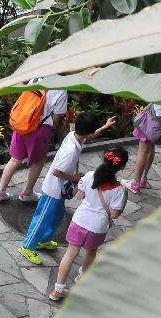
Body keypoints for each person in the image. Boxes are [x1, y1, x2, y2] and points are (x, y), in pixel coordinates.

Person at [19, 113, 117, 266]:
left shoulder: (74, 134)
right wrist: (75, 178)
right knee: (42, 219)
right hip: (53, 190)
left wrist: (105, 126)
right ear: (88, 131)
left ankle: (42, 240)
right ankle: (27, 246)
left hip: (60, 190)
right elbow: (56, 171)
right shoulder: (71, 150)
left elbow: (89, 137)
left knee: (56, 217)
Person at [50, 146, 129, 301]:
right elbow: (115, 214)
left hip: (79, 220)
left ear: (105, 158)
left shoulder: (90, 175)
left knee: (70, 254)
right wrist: (124, 197)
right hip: (97, 227)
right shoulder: (119, 189)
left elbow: (79, 196)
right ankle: (82, 279)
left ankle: (57, 290)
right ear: (122, 166)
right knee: (91, 252)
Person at [0, 86, 68, 203]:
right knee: (38, 162)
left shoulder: (36, 77)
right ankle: (27, 193)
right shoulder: (61, 89)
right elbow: (56, 117)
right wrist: (50, 130)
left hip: (22, 123)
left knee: (14, 160)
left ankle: (0, 193)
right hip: (40, 128)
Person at [128, 104, 161, 193]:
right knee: (151, 146)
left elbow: (158, 109)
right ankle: (143, 177)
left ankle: (135, 184)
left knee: (143, 150)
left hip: (152, 121)